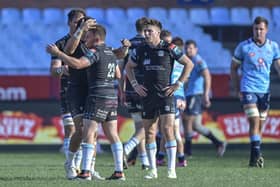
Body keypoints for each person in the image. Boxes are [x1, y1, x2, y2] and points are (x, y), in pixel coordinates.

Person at [47, 25, 125, 180]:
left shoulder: (95, 52)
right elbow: (117, 74)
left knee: (88, 132)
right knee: (112, 135)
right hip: (111, 96)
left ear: (96, 38)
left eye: (87, 36)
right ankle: (119, 172)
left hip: (97, 96)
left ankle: (85, 172)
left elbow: (77, 64)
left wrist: (58, 54)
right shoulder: (110, 51)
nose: (85, 39)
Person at [125, 18, 194, 179]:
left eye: (150, 31)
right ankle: (153, 170)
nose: (147, 33)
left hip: (166, 95)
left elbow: (188, 64)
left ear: (158, 33)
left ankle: (171, 170)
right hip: (147, 96)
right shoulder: (141, 49)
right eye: (145, 31)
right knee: (149, 132)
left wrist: (177, 84)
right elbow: (129, 66)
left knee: (168, 130)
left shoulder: (169, 48)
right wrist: (135, 84)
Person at [231, 16, 280, 168]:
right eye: (255, 29)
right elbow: (233, 68)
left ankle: (254, 157)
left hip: (264, 91)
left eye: (261, 29)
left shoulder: (273, 47)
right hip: (248, 88)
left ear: (266, 30)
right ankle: (256, 154)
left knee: (260, 126)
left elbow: (278, 67)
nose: (258, 32)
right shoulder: (244, 47)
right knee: (254, 120)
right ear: (252, 29)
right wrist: (237, 88)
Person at [49, 8, 89, 179]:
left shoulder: (88, 41)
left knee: (86, 130)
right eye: (76, 22)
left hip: (87, 90)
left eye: (82, 22)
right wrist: (65, 69)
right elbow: (53, 70)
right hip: (69, 90)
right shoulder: (60, 44)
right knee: (71, 129)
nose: (79, 24)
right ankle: (71, 166)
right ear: (69, 23)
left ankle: (84, 168)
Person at [183, 39, 227, 158]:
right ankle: (219, 143)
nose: (188, 50)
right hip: (189, 94)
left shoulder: (198, 61)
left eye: (191, 48)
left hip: (195, 94)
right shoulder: (187, 61)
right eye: (186, 48)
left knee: (187, 120)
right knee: (196, 125)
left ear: (196, 49)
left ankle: (187, 151)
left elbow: (207, 75)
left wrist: (206, 94)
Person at [121, 17, 149, 170]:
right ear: (147, 28)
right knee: (147, 127)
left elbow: (122, 67)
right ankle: (125, 150)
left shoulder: (128, 44)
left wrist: (122, 90)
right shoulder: (148, 44)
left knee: (139, 126)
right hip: (144, 89)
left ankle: (144, 161)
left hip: (130, 89)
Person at [156, 34, 187, 167]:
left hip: (172, 95)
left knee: (171, 130)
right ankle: (162, 157)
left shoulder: (170, 59)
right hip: (178, 96)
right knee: (169, 130)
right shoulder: (182, 62)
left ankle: (180, 159)